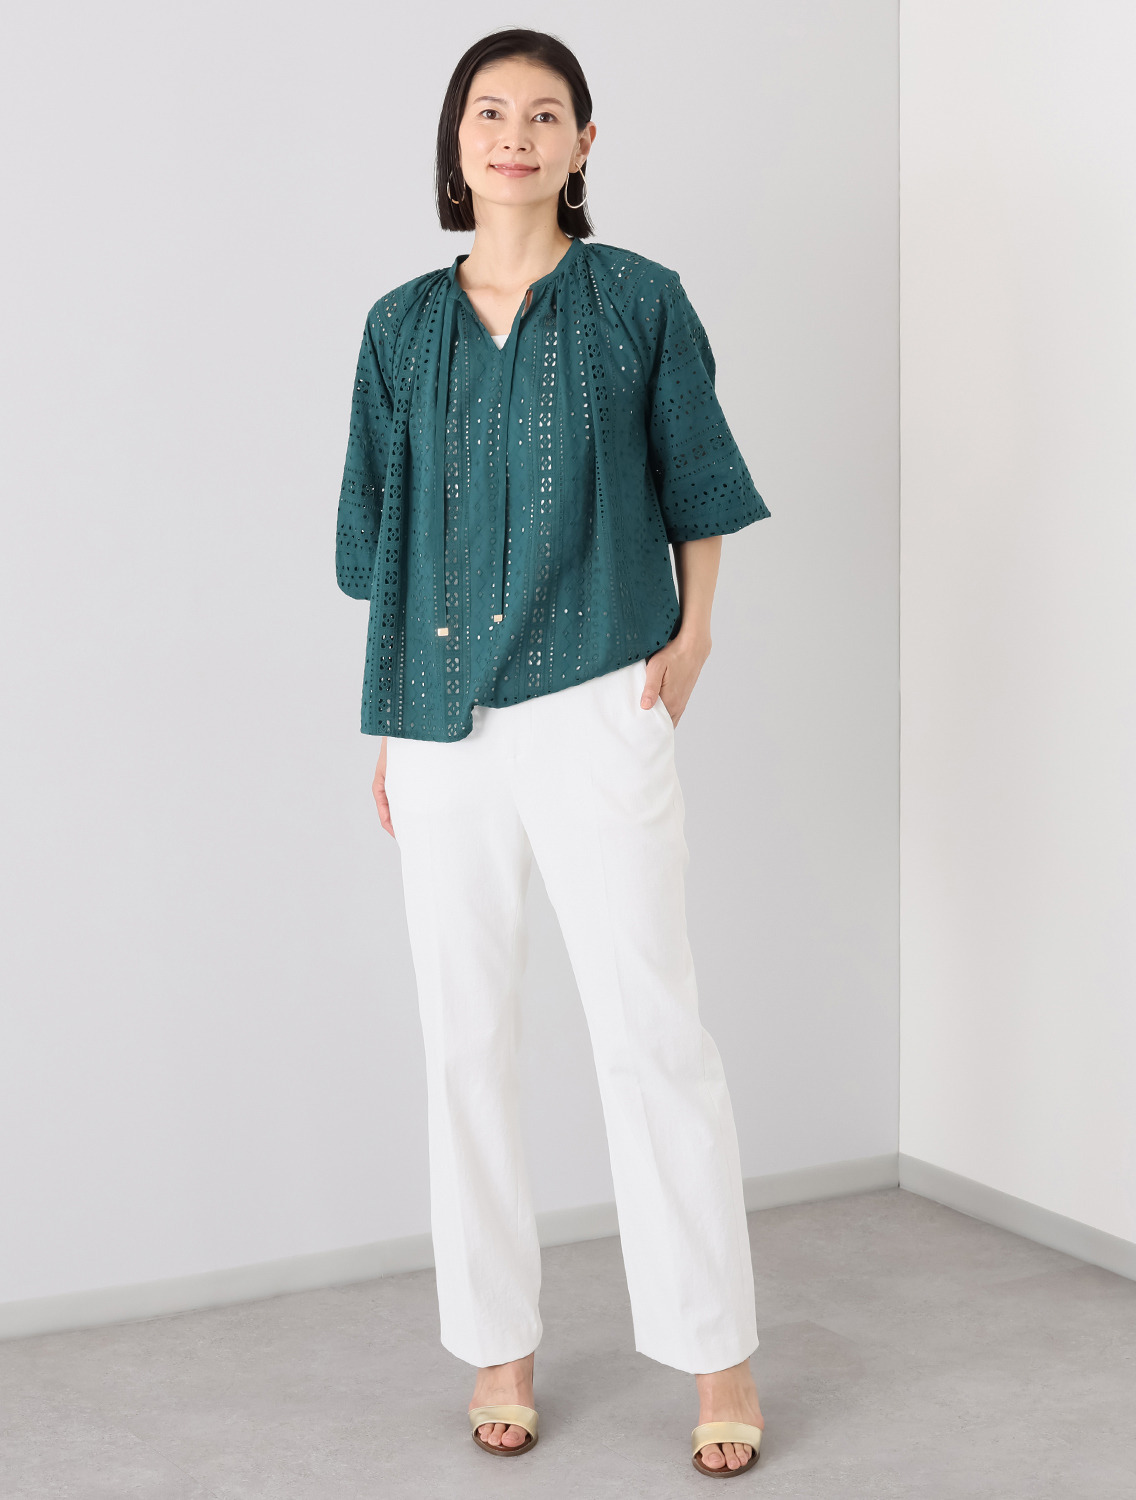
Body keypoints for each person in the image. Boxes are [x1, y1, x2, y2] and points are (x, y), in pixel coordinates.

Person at [334, 27, 771, 1479]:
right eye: (488, 111)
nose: (512, 134)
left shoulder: (640, 300)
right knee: (465, 1039)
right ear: (455, 139)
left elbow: (698, 481)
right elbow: (379, 544)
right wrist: (394, 725)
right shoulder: (399, 326)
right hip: (439, 723)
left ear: (585, 141)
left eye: (542, 113)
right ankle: (497, 1349)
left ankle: (719, 1355)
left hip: (598, 700)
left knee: (653, 1033)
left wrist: (690, 644)